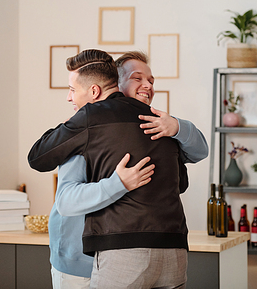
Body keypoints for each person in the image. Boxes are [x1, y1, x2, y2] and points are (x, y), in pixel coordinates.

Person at [29, 49, 208, 288]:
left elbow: (40, 159)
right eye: (137, 78)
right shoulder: (152, 124)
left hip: (119, 253)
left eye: (151, 80)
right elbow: (180, 183)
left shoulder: (161, 125)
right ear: (117, 82)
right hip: (170, 250)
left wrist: (177, 126)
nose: (147, 85)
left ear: (95, 90)